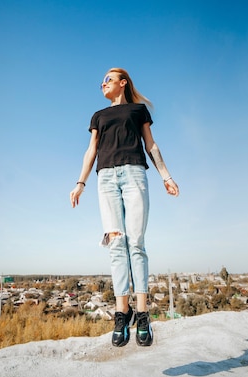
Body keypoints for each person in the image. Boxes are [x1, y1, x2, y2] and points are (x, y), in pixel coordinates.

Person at [69, 68, 179, 347]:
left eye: (108, 79)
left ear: (122, 83)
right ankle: (122, 312)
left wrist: (165, 175)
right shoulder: (98, 116)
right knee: (116, 244)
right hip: (105, 179)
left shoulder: (138, 110)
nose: (102, 83)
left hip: (134, 176)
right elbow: (91, 150)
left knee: (136, 243)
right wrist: (80, 182)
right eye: (102, 80)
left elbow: (150, 144)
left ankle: (142, 313)